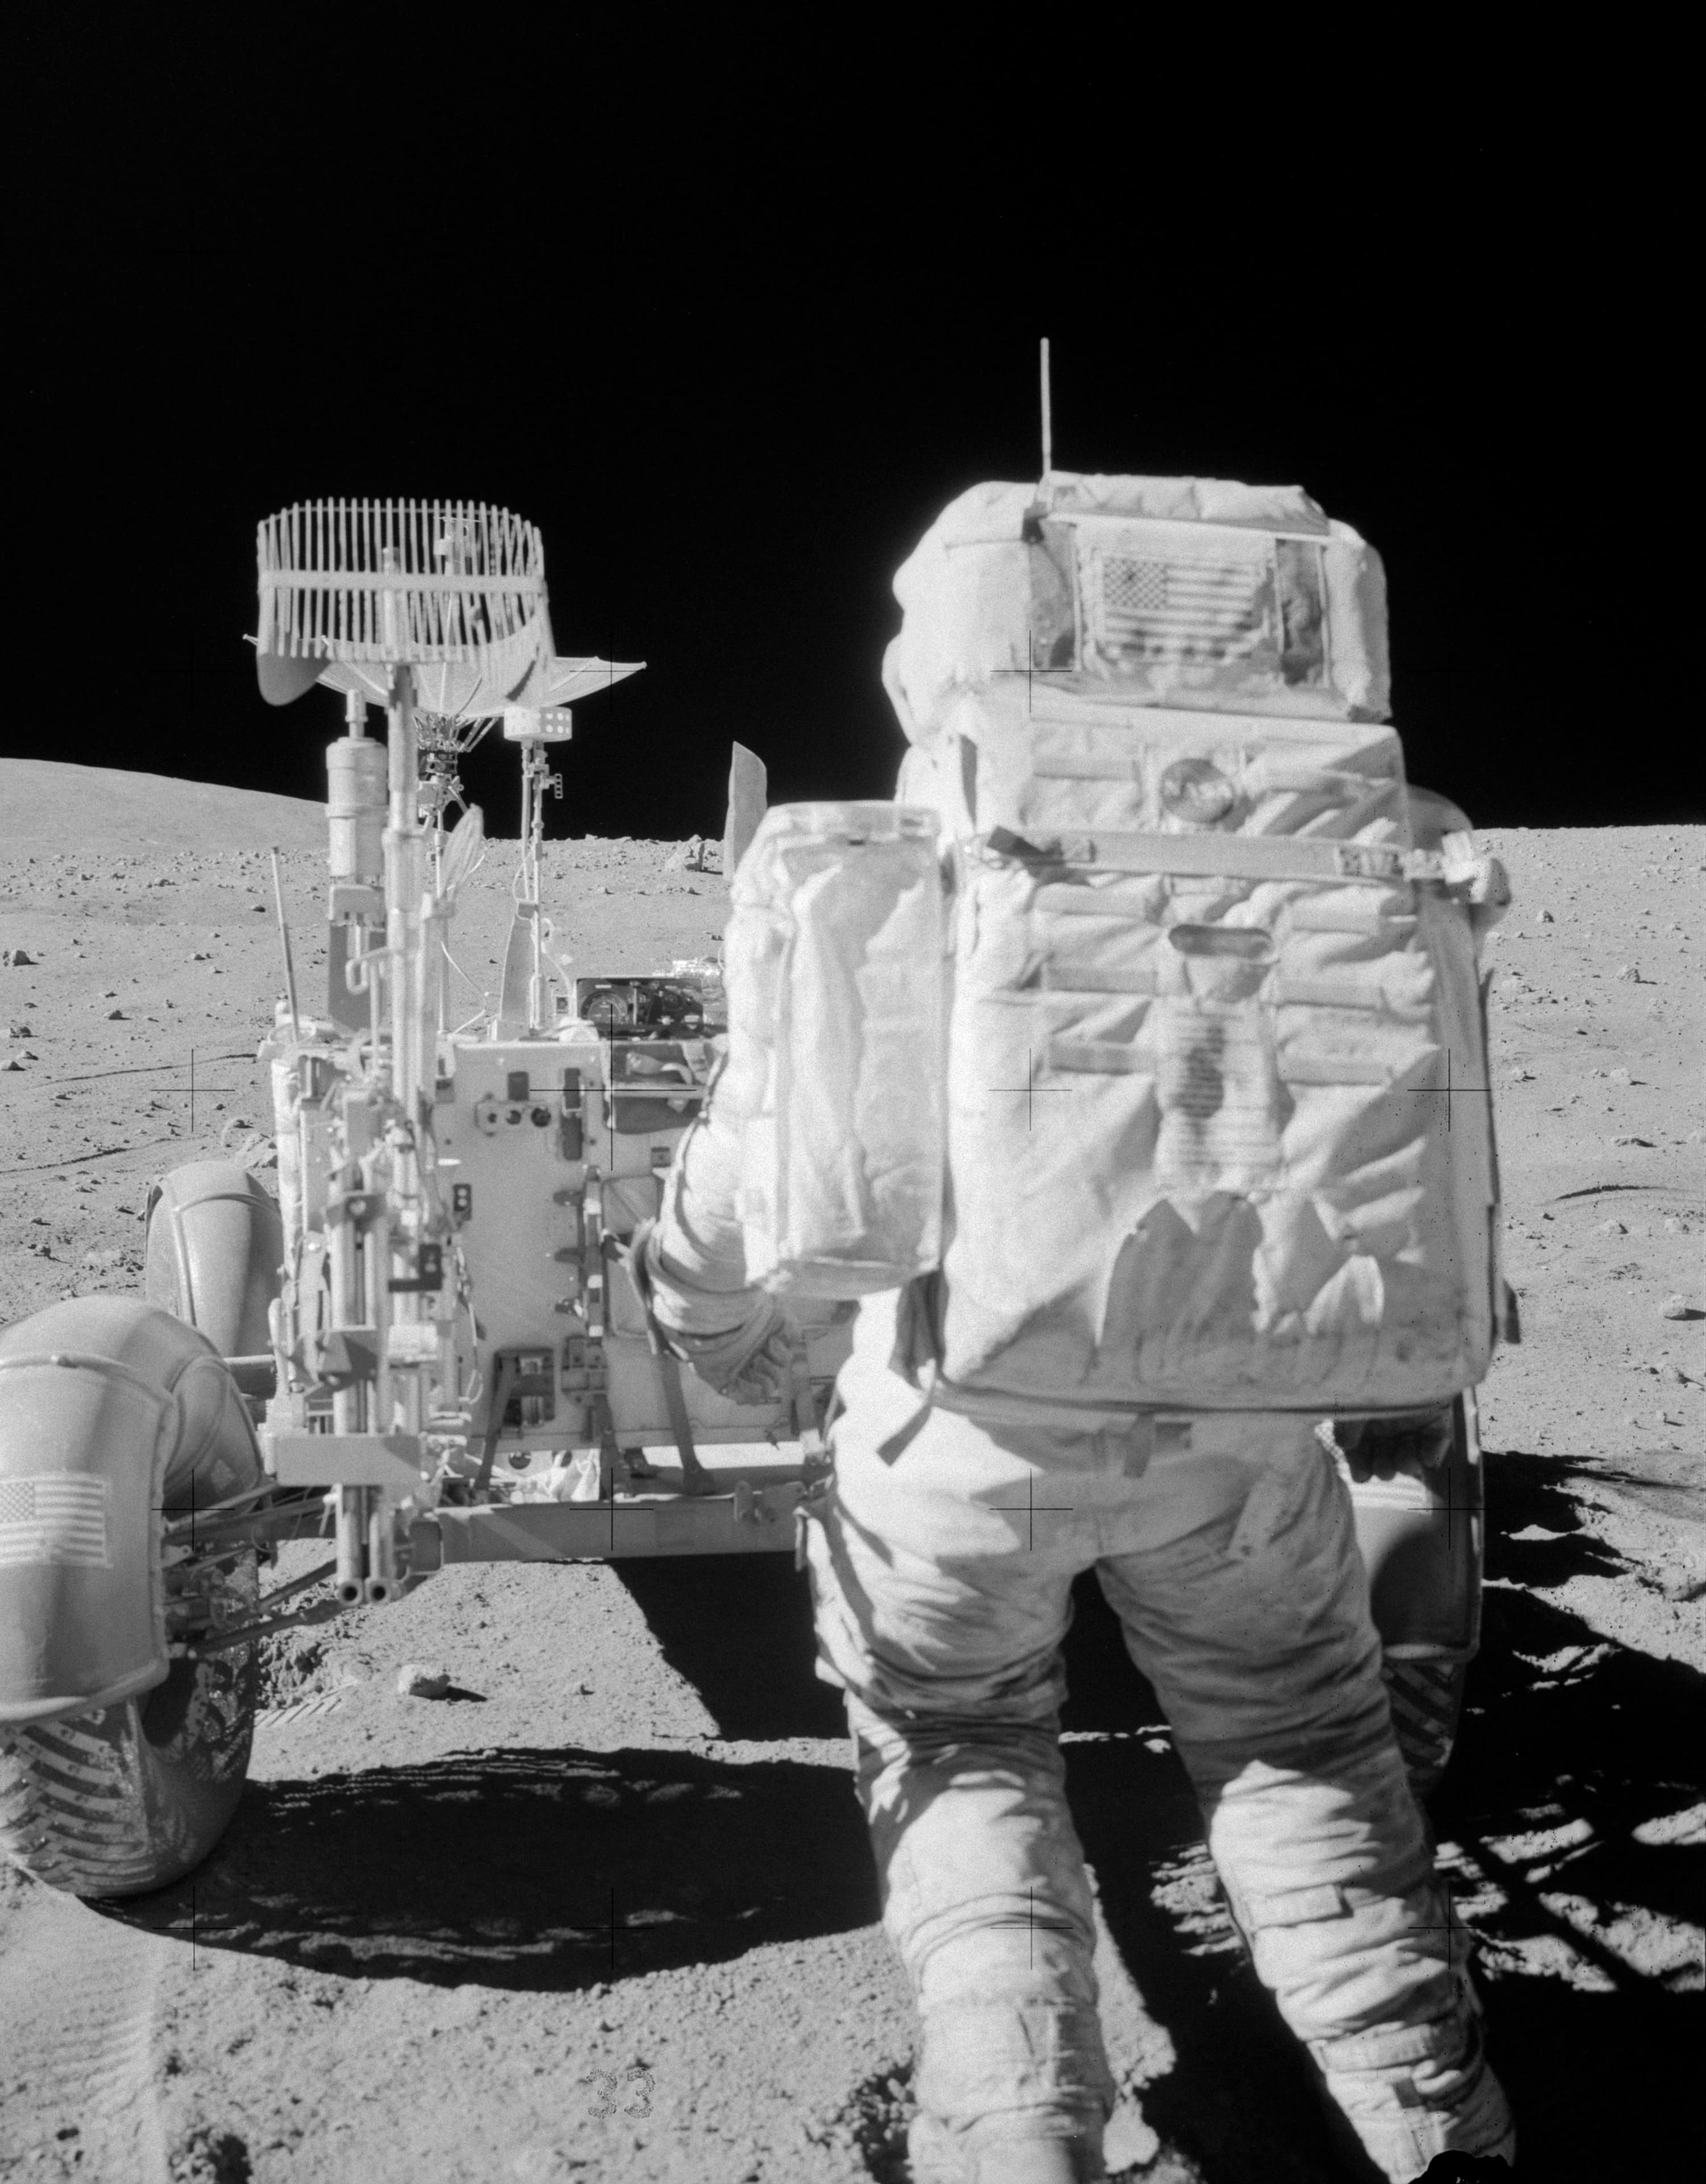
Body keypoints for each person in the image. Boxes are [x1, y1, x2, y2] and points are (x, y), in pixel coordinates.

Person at [634, 489, 1518, 2183]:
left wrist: (752, 1362)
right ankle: (1438, 2129)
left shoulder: (898, 877)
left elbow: (755, 1216)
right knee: (1307, 1755)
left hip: (959, 1458)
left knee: (965, 1761)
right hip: (1240, 1438)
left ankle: (1025, 2131)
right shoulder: (1361, 848)